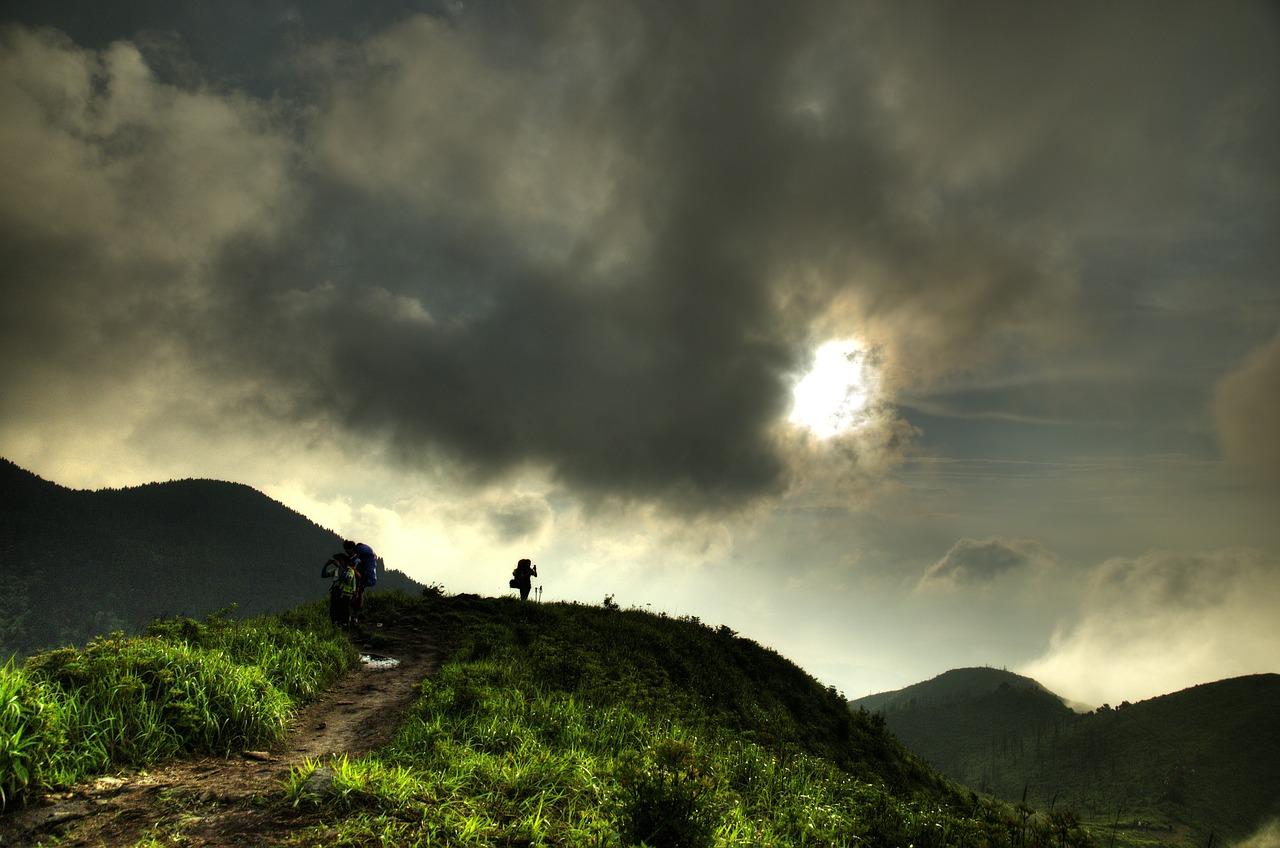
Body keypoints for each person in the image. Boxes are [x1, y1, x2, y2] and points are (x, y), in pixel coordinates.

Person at [343, 540, 377, 623]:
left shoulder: (357, 557)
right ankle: (355, 616)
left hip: (359, 579)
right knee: (359, 595)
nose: (346, 552)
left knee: (355, 596)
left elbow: (356, 568)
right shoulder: (361, 554)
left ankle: (353, 616)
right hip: (362, 579)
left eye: (347, 550)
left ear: (350, 548)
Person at [322, 552, 358, 627]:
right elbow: (323, 575)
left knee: (344, 611)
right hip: (336, 593)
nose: (337, 562)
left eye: (339, 560)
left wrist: (339, 567)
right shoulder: (336, 570)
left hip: (346, 594)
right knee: (334, 611)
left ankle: (345, 626)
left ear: (344, 561)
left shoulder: (350, 570)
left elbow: (348, 580)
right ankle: (335, 626)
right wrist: (326, 565)